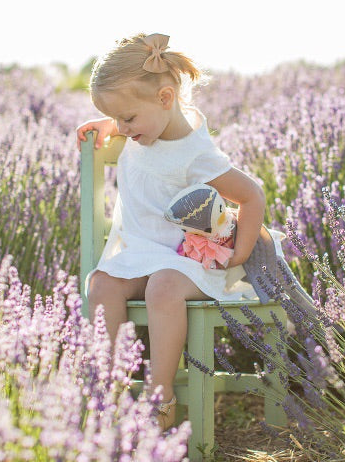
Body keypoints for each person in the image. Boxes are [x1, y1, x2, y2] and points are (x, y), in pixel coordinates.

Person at [76, 33, 267, 431]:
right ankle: (106, 393)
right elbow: (134, 121)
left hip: (186, 262)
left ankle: (160, 395)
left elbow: (252, 196)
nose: (124, 130)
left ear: (166, 98)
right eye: (119, 119)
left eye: (127, 118)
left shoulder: (195, 154)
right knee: (102, 285)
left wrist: (241, 254)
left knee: (162, 288)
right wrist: (109, 123)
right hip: (141, 250)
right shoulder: (145, 126)